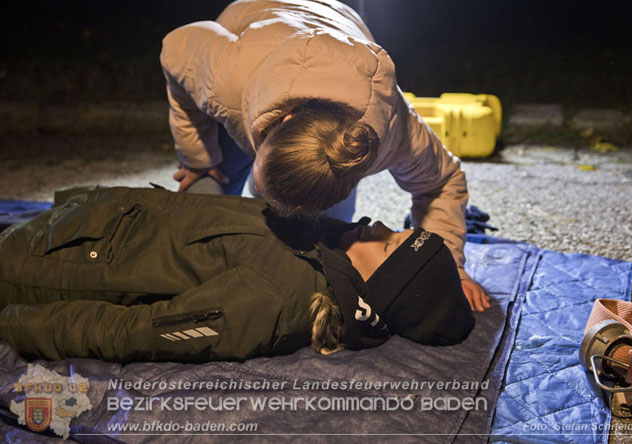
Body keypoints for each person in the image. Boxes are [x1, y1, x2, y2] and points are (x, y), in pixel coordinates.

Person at [160, 0, 490, 312]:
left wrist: (449, 268)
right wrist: (197, 156)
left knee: (328, 237)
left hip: (336, 32)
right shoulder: (226, 76)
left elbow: (443, 182)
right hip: (257, 28)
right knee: (207, 194)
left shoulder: (395, 130)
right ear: (282, 121)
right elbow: (176, 47)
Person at [0, 187, 474, 362]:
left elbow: (129, 332)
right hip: (75, 227)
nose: (382, 225)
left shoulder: (279, 298)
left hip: (48, 266)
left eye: (390, 244)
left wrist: (12, 322)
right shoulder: (331, 244)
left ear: (378, 291)